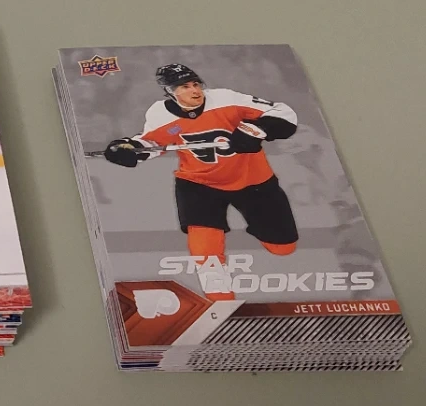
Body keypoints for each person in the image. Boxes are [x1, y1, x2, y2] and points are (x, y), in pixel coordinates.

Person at [100, 63, 298, 301]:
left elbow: (283, 112)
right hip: (199, 185)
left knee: (283, 248)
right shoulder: (160, 113)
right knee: (205, 248)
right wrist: (128, 148)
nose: (195, 90)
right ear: (170, 92)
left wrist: (257, 130)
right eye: (185, 87)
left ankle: (266, 232)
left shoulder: (226, 99)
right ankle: (221, 303)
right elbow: (153, 143)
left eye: (196, 84)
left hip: (253, 180)